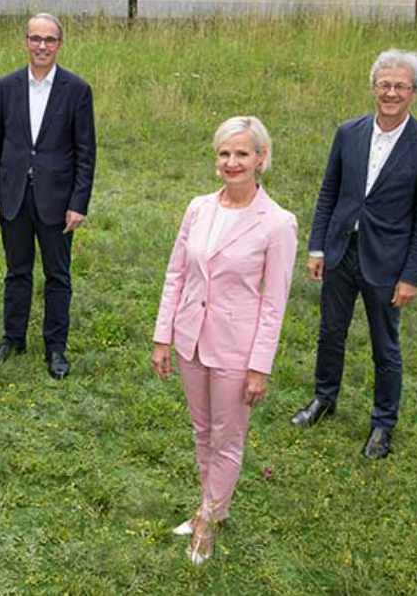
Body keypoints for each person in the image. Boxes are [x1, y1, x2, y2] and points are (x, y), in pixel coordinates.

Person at [151, 116, 297, 565]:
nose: (232, 162)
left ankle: (209, 522)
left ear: (261, 159)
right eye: (224, 154)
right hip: (190, 341)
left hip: (237, 349)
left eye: (242, 154)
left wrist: (259, 366)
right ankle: (210, 505)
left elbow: (274, 303)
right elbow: (176, 274)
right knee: (201, 430)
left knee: (227, 437)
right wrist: (163, 337)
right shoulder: (198, 208)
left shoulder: (277, 224)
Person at [292, 49, 417, 460]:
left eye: (400, 86)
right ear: (373, 87)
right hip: (342, 252)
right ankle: (323, 399)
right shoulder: (349, 132)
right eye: (384, 84)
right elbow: (329, 191)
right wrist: (318, 246)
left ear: (414, 91)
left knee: (385, 346)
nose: (391, 92)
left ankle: (382, 424)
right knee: (330, 332)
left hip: (388, 261)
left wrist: (412, 276)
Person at [0, 12, 96, 379]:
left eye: (49, 40)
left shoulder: (77, 90)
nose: (41, 46)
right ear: (25, 42)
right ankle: (13, 338)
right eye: (35, 39)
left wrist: (78, 203)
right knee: (17, 272)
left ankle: (55, 347)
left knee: (57, 275)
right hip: (13, 195)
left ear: (60, 44)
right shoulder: (7, 86)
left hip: (57, 200)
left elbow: (85, 152)